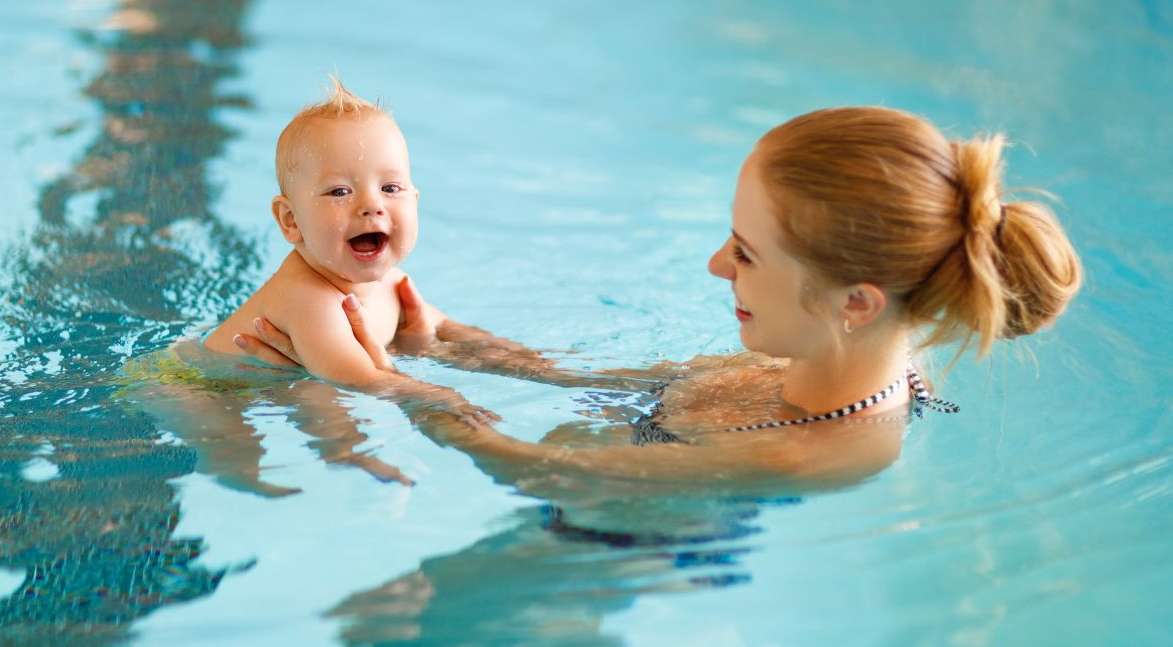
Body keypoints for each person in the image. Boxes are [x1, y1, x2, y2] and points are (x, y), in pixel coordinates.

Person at [237, 105, 1083, 496]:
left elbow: (540, 468)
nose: (717, 264)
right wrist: (445, 340)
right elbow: (598, 380)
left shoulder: (815, 450)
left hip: (618, 547)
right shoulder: (823, 353)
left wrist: (416, 400)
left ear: (855, 302)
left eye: (746, 252)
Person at [116, 78, 496, 495]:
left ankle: (340, 450)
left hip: (277, 374)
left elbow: (451, 333)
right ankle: (302, 462)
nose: (372, 205)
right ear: (290, 221)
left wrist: (546, 369)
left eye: (390, 188)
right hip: (188, 384)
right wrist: (440, 396)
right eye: (339, 191)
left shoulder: (392, 281)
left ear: (415, 200)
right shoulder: (307, 297)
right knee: (233, 441)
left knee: (313, 392)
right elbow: (358, 378)